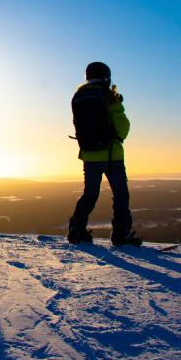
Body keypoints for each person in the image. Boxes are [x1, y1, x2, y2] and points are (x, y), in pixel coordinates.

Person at [68, 62, 141, 246]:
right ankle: (120, 235)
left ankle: (76, 231)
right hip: (111, 156)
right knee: (121, 196)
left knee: (90, 194)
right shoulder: (108, 96)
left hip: (89, 156)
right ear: (106, 77)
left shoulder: (79, 96)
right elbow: (123, 128)